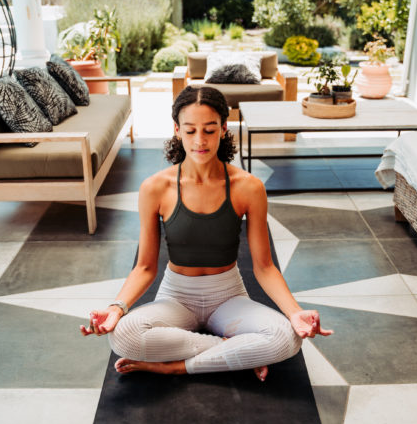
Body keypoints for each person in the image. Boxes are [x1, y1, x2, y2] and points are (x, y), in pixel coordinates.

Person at [80, 86, 333, 381]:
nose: (200, 141)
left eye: (210, 130)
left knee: (287, 337)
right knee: (123, 337)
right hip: (176, 296)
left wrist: (294, 313)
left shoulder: (249, 187)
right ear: (177, 130)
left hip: (228, 296)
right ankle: (230, 350)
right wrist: (116, 308)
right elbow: (146, 267)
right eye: (190, 131)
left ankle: (177, 366)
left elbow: (264, 267)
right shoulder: (155, 188)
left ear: (224, 129)